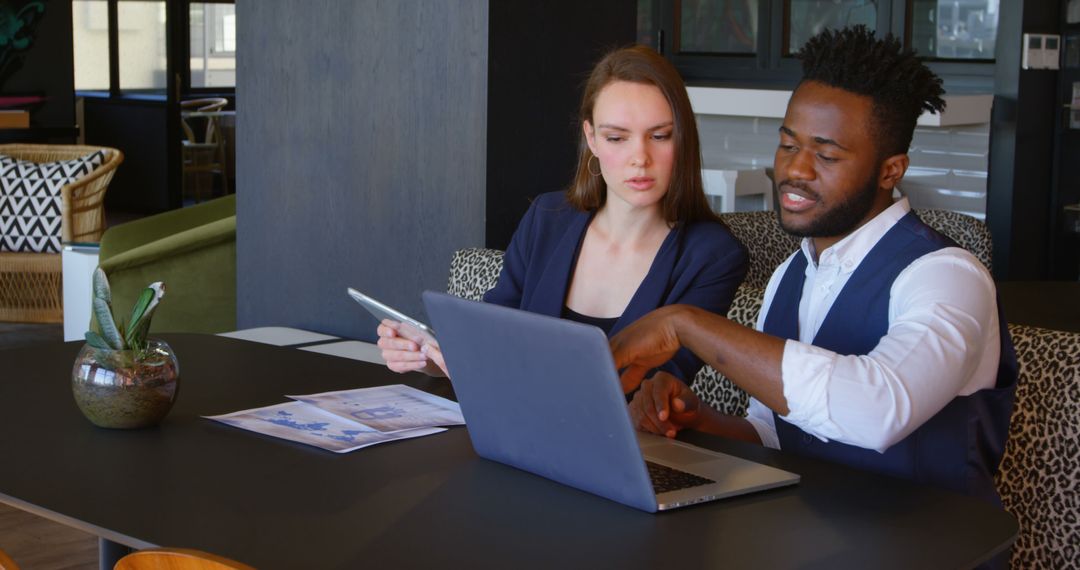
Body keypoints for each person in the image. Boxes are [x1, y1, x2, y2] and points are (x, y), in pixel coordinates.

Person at [610, 26, 1016, 506]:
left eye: (826, 154)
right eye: (788, 145)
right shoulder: (791, 274)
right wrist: (698, 421)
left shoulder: (948, 276)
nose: (796, 170)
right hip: (809, 537)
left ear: (891, 170)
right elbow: (777, 433)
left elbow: (879, 409)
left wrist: (685, 324)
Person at [378, 45, 748, 383]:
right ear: (591, 139)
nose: (640, 158)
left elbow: (657, 384)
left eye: (660, 135)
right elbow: (496, 333)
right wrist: (435, 359)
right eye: (617, 138)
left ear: (683, 139)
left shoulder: (712, 256)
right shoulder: (547, 217)